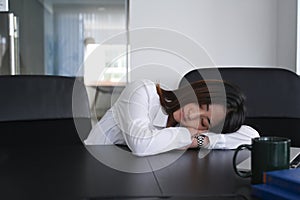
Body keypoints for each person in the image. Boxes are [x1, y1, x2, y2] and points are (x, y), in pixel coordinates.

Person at [84, 79, 259, 156]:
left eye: (204, 121)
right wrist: (186, 136)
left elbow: (251, 137)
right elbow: (141, 144)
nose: (192, 114)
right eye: (200, 104)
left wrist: (201, 140)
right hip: (93, 163)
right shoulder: (142, 91)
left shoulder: (185, 127)